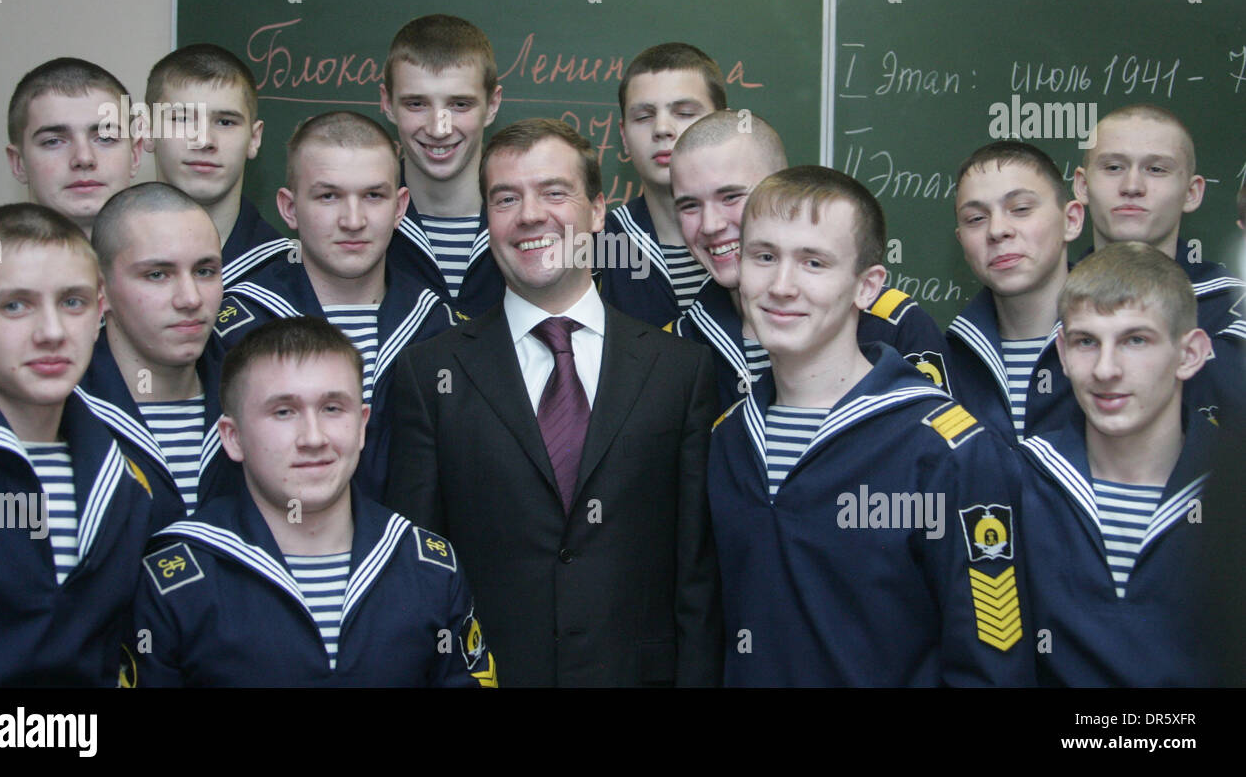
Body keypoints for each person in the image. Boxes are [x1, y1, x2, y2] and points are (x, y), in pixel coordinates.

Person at [385, 118, 722, 687]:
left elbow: (697, 578)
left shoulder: (679, 371)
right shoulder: (430, 373)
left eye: (553, 192)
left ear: (597, 210)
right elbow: (418, 572)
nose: (530, 215)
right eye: (505, 198)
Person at [708, 167, 1033, 686]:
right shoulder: (727, 439)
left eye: (814, 262)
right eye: (764, 257)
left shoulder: (948, 451)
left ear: (867, 286)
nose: (781, 285)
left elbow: (991, 664)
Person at [129, 316, 495, 687]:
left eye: (333, 408)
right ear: (233, 437)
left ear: (362, 424)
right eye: (284, 411)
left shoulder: (430, 568)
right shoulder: (177, 581)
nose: (314, 437)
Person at [0, 204, 152, 685]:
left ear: (102, 309)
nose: (52, 333)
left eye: (73, 302)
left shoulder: (124, 479)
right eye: (14, 305)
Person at [214, 111, 455, 498]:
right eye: (329, 196)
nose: (353, 220)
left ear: (399, 207)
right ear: (289, 208)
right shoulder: (240, 329)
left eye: (373, 196)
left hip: (403, 554)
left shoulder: (439, 329)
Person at [1015, 243, 1216, 685]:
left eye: (1135, 340)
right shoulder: (1016, 481)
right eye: (1087, 342)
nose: (1106, 369)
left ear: (1190, 354)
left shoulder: (1231, 490)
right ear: (1063, 354)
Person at [670, 110, 950, 406]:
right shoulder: (676, 347)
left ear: (780, 189)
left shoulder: (895, 323)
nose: (711, 224)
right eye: (689, 206)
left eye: (731, 197)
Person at [78, 183, 234, 526]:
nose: (190, 298)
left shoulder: (256, 391)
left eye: (205, 271)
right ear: (100, 289)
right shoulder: (61, 410)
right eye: (158, 274)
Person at [947, 141, 1085, 442]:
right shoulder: (944, 362)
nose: (997, 230)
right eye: (976, 219)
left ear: (1071, 220)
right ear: (962, 241)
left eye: (1020, 209)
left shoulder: (1119, 350)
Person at [1074, 104, 1243, 333]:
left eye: (1156, 169)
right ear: (1082, 186)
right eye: (1113, 167)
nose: (1132, 186)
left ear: (1191, 193)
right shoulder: (1046, 303)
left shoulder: (1234, 307)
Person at [379, 14, 505, 319]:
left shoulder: (530, 221)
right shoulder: (359, 223)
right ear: (386, 103)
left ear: (492, 105)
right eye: (416, 104)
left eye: (459, 104)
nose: (438, 128)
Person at [144, 43, 294, 285]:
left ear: (254, 139)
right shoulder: (104, 264)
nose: (204, 140)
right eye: (182, 119)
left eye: (225, 122)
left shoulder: (290, 272)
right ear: (147, 131)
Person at [600, 42, 723, 327]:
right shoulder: (601, 246)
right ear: (624, 136)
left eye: (684, 113)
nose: (662, 129)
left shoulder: (767, 243)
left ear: (723, 123)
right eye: (643, 117)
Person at [5, 57, 143, 240]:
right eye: (53, 141)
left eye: (105, 138)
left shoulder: (183, 265)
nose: (84, 158)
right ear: (18, 163)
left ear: (135, 155)